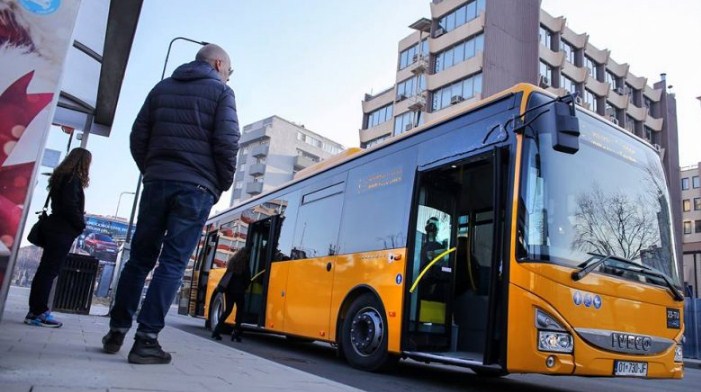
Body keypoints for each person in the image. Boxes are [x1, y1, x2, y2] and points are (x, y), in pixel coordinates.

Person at [102, 43, 239, 365]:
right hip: (195, 187)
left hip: (157, 182)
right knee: (173, 263)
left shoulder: (161, 88)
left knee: (138, 260)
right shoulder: (221, 93)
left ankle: (116, 331)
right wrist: (220, 183)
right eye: (230, 72)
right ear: (219, 64)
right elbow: (227, 142)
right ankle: (146, 340)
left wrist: (153, 170)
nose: (229, 78)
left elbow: (138, 136)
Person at [25, 147, 91, 328]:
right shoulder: (72, 180)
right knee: (49, 271)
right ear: (83, 162)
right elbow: (70, 206)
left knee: (45, 270)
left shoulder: (60, 178)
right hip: (62, 230)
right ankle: (38, 312)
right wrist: (81, 223)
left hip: (54, 227)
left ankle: (35, 310)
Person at [211, 247, 251, 342]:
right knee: (240, 311)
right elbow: (247, 278)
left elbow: (227, 275)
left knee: (227, 310)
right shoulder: (245, 264)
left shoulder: (232, 262)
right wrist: (245, 286)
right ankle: (235, 333)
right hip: (239, 291)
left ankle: (216, 331)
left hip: (228, 290)